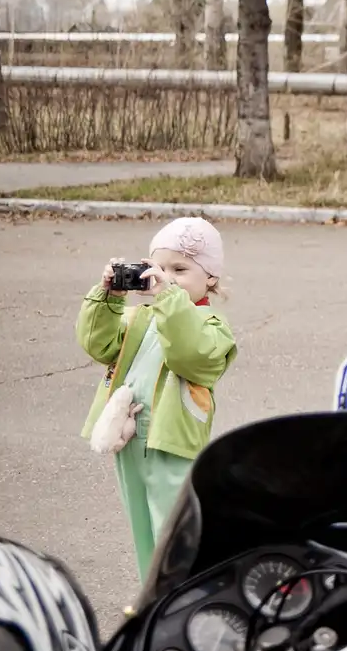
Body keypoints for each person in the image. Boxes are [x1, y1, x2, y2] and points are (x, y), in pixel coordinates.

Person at [76, 216, 237, 579]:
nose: (167, 277)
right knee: (143, 529)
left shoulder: (211, 325)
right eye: (159, 268)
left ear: (211, 277)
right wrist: (108, 299)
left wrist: (169, 299)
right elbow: (99, 344)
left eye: (180, 269)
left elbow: (189, 354)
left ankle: (182, 592)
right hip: (130, 436)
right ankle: (153, 595)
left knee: (173, 528)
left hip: (172, 442)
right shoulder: (140, 317)